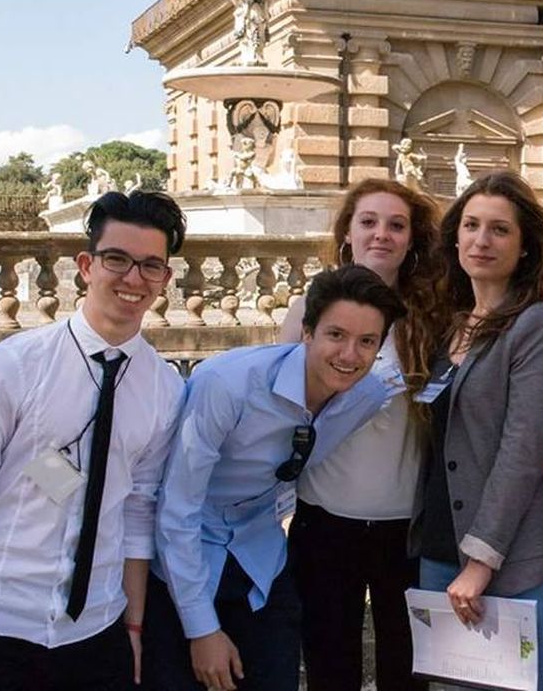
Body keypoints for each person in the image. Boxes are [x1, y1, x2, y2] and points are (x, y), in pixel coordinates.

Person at [0, 190, 187, 690]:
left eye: (150, 266)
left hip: (98, 629)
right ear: (85, 265)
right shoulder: (17, 364)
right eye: (117, 259)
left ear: (165, 278)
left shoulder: (165, 387)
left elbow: (138, 509)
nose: (133, 278)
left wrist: (134, 628)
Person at [143, 266, 406, 691]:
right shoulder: (228, 384)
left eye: (367, 342)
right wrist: (201, 629)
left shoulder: (367, 396)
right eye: (336, 335)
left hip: (261, 559)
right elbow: (177, 509)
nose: (349, 355)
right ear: (306, 332)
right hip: (186, 562)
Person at [414, 171, 543, 691]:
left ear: (526, 246)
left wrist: (480, 563)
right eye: (471, 225)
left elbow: (522, 450)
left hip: (515, 565)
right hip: (441, 558)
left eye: (500, 230)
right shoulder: (447, 330)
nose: (481, 240)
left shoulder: (538, 326)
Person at [280, 178, 443, 691]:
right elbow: (279, 410)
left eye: (397, 225)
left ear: (412, 240)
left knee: (409, 672)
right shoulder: (307, 312)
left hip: (406, 527)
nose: (382, 235)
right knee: (331, 669)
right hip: (325, 523)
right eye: (368, 222)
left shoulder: (430, 318)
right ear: (347, 233)